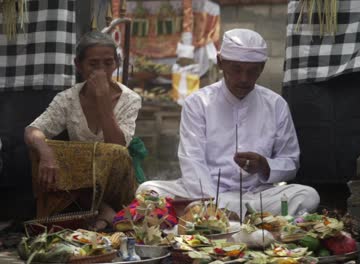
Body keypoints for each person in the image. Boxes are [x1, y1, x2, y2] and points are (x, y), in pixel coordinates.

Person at [137, 28, 320, 218]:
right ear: (220, 62)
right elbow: (192, 162)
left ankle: (222, 217)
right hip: (204, 195)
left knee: (308, 196)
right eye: (236, 69)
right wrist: (213, 204)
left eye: (252, 71)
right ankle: (235, 217)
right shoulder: (198, 103)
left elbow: (291, 162)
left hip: (256, 196)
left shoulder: (276, 105)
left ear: (262, 67)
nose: (243, 79)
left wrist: (265, 166)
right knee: (147, 190)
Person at [24, 31, 142, 230]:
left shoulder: (130, 99)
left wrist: (103, 100)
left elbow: (118, 145)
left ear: (116, 64)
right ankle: (101, 212)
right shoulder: (68, 98)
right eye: (93, 64)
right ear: (78, 65)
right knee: (42, 147)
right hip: (81, 183)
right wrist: (47, 155)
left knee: (115, 153)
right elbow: (33, 129)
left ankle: (106, 210)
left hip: (114, 182)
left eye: (108, 63)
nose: (101, 70)